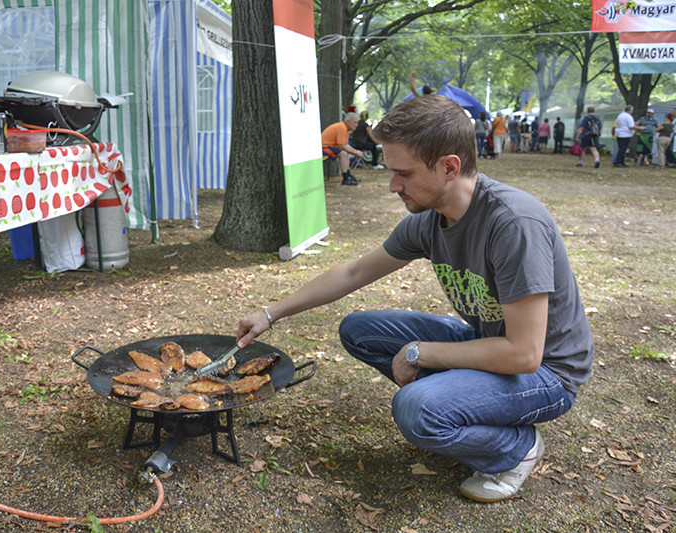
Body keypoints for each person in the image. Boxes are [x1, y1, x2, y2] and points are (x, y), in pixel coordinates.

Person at [236, 95, 594, 503]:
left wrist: (420, 353)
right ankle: (459, 415)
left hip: (547, 374)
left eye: (403, 173)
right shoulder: (429, 221)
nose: (393, 185)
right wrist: (271, 313)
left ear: (449, 167)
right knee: (359, 330)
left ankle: (515, 449)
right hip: (495, 345)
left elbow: (524, 355)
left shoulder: (513, 224)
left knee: (415, 410)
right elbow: (354, 272)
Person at [322, 112, 363, 185]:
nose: (357, 125)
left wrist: (354, 151)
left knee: (345, 152)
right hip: (323, 148)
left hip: (329, 147)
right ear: (347, 121)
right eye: (355, 123)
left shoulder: (345, 128)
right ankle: (346, 178)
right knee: (343, 153)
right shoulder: (342, 128)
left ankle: (348, 175)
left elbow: (344, 145)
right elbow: (342, 146)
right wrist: (356, 152)